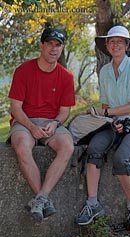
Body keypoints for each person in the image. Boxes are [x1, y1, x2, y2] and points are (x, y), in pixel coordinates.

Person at [75, 25, 130, 230]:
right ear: (107, 46)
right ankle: (93, 204)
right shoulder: (105, 71)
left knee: (120, 157)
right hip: (114, 122)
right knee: (94, 148)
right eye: (111, 41)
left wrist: (109, 114)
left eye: (120, 41)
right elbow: (106, 106)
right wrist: (112, 120)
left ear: (127, 46)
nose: (115, 44)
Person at [7, 27, 75, 222]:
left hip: (51, 123)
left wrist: (55, 124)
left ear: (61, 49)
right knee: (21, 145)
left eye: (58, 45)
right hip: (25, 121)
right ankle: (43, 199)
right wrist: (31, 127)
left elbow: (65, 112)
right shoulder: (23, 70)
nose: (53, 49)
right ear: (41, 45)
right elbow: (16, 108)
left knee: (67, 146)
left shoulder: (66, 76)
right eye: (50, 44)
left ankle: (40, 198)